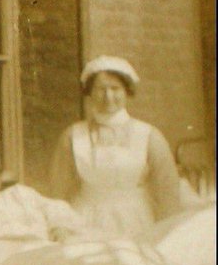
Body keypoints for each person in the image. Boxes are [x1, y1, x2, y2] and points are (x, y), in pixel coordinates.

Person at [47, 55, 181, 236]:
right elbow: (58, 190)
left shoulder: (148, 135)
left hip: (138, 222)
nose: (108, 96)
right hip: (85, 220)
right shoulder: (73, 136)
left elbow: (168, 191)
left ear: (127, 91)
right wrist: (60, 225)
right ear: (89, 92)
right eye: (101, 89)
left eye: (115, 88)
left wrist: (168, 232)